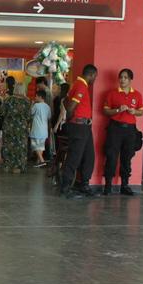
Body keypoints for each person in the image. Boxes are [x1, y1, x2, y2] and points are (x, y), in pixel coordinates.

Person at [102, 68, 143, 196]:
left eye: (125, 77)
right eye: (121, 77)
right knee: (111, 156)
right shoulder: (112, 93)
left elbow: (141, 112)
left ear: (131, 80)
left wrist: (134, 112)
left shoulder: (137, 95)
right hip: (115, 128)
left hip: (130, 130)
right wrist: (117, 110)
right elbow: (105, 111)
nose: (122, 80)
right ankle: (108, 185)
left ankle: (124, 185)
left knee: (127, 157)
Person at [60, 64, 99, 199]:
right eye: (95, 77)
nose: (95, 80)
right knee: (74, 157)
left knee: (89, 156)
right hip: (79, 126)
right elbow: (70, 107)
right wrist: (73, 120)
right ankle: (65, 187)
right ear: (92, 75)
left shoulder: (76, 84)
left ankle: (84, 184)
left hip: (85, 126)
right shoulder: (81, 86)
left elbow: (65, 101)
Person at [0, 77, 31, 174]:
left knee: (8, 146)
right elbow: (29, 117)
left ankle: (8, 166)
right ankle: (18, 167)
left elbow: (2, 113)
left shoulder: (7, 100)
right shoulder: (27, 101)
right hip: (21, 128)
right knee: (21, 147)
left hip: (8, 127)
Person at [30, 89, 51, 168]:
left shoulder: (36, 105)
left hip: (36, 129)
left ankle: (42, 161)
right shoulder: (47, 107)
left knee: (35, 146)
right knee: (41, 147)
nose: (35, 97)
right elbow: (49, 117)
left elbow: (31, 113)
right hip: (44, 130)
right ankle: (39, 162)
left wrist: (32, 104)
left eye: (36, 96)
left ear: (40, 97)